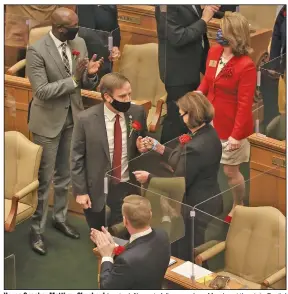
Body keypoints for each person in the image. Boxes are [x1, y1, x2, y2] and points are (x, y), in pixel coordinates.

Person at [26, 7, 102, 255]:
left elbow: (85, 84)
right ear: (60, 29)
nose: (77, 30)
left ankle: (59, 218)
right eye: (73, 26)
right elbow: (42, 91)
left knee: (65, 175)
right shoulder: (36, 51)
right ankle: (37, 229)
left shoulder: (78, 41)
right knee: (44, 179)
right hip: (47, 122)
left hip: (73, 117)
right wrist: (74, 80)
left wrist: (90, 75)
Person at [133, 91, 223, 261]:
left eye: (182, 114)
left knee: (189, 250)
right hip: (206, 196)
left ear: (192, 114)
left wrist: (149, 178)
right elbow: (184, 161)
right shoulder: (208, 132)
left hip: (195, 205)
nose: (181, 118)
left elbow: (179, 182)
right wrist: (159, 148)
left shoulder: (195, 146)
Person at [197, 12, 257, 222]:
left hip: (232, 127)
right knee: (208, 166)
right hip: (210, 120)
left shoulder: (246, 65)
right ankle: (212, 202)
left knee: (231, 173)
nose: (218, 33)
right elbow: (208, 80)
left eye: (223, 30)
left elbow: (244, 104)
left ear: (235, 35)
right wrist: (198, 94)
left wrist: (235, 135)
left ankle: (238, 203)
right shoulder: (214, 52)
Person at [71, 73, 147, 232]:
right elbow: (76, 158)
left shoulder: (138, 112)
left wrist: (143, 148)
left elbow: (143, 142)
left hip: (128, 184)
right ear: (107, 97)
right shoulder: (85, 119)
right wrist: (81, 191)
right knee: (99, 234)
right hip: (98, 188)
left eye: (130, 94)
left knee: (126, 233)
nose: (128, 99)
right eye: (123, 96)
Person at [155, 5, 222, 144]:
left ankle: (185, 156)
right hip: (178, 72)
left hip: (193, 67)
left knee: (189, 118)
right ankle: (167, 157)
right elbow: (177, 37)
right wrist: (204, 20)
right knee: (177, 120)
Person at [90, 195, 170, 290]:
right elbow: (139, 252)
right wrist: (114, 246)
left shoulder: (126, 261)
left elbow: (106, 287)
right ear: (150, 214)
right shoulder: (163, 235)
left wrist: (107, 256)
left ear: (124, 221)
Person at [77, 5, 121, 80]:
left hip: (104, 58)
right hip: (85, 55)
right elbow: (85, 32)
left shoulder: (110, 6)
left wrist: (114, 47)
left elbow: (114, 29)